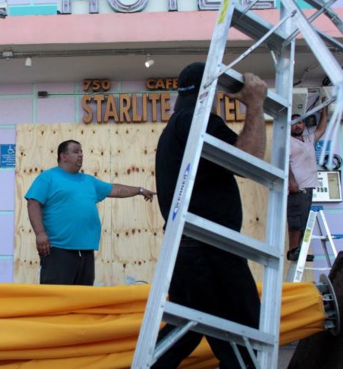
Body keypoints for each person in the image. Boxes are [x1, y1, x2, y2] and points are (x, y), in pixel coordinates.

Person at [154, 62, 268, 368]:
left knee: (188, 329)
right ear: (214, 89)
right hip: (210, 247)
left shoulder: (177, 123)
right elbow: (249, 160)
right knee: (242, 333)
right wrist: (254, 106)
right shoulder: (197, 119)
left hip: (190, 247)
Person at [25, 139, 155, 286]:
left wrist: (140, 190)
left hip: (86, 252)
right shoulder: (48, 177)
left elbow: (115, 189)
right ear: (63, 156)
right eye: (75, 151)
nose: (80, 155)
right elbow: (33, 203)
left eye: (81, 152)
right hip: (58, 251)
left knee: (83, 300)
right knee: (56, 301)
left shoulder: (89, 181)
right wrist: (40, 233)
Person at [287, 102, 328, 261]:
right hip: (298, 188)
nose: (297, 126)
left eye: (300, 122)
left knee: (303, 220)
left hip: (309, 187)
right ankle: (293, 251)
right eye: (294, 124)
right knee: (296, 220)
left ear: (304, 124)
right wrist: (292, 181)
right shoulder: (288, 141)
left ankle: (298, 250)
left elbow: (321, 129)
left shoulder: (309, 139)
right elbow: (285, 163)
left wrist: (325, 108)